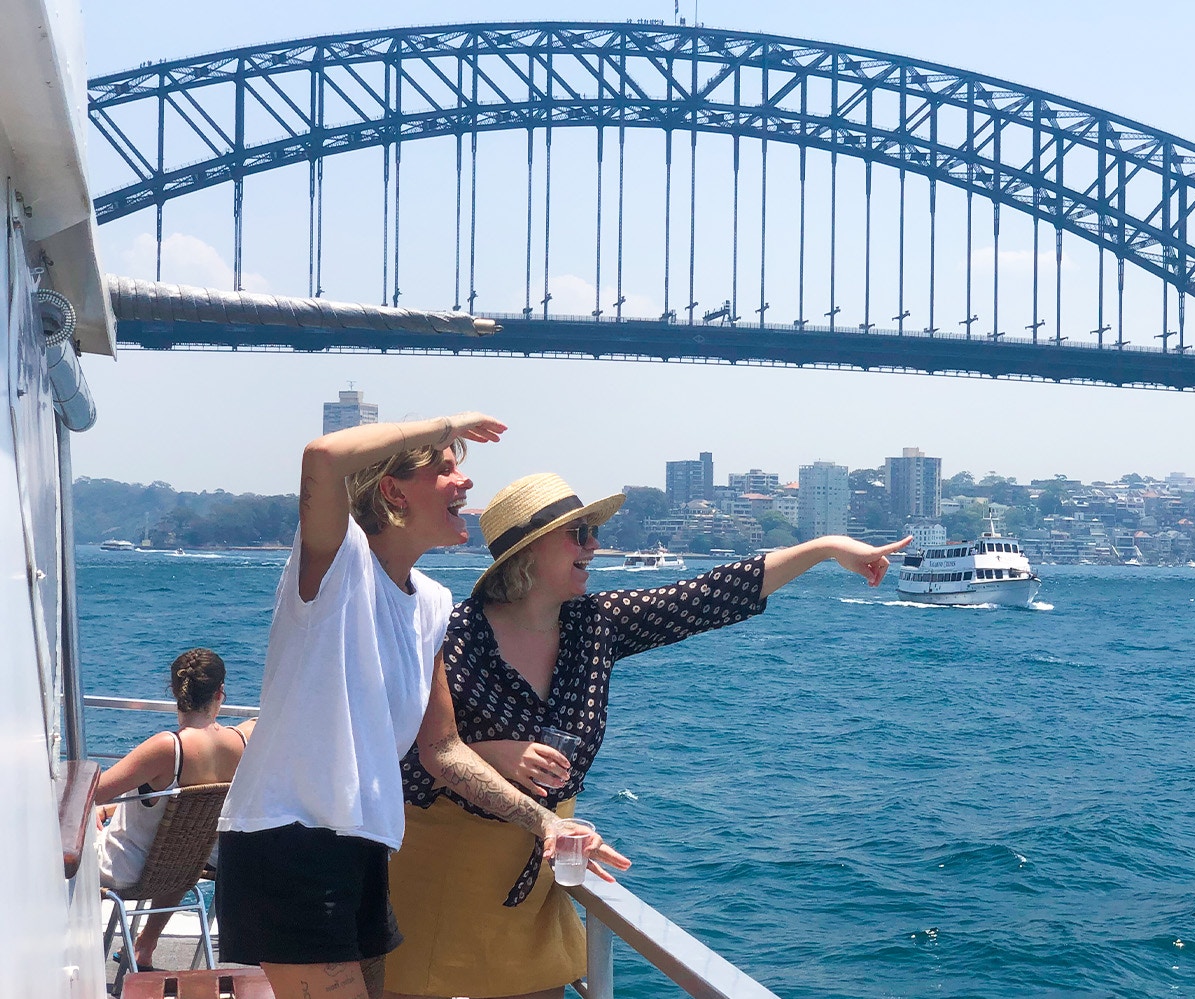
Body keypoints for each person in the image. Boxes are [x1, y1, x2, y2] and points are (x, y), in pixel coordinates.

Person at [384, 473, 909, 999]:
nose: (595, 544)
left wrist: (825, 549)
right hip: (440, 871)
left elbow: (710, 595)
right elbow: (395, 753)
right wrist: (489, 752)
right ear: (529, 551)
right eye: (580, 532)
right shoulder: (449, 635)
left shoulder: (596, 626)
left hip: (539, 874)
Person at [213, 414, 618, 999]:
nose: (464, 483)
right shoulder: (338, 563)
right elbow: (323, 459)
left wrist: (547, 823)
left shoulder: (432, 604)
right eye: (445, 469)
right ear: (392, 490)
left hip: (366, 847)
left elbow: (443, 749)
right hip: (289, 842)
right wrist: (446, 424)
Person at [95, 647, 254, 972]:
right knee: (181, 840)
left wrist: (98, 814)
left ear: (175, 692)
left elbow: (93, 792)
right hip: (185, 863)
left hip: (127, 867)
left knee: (67, 825)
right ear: (220, 692)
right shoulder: (244, 743)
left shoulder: (168, 747)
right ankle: (145, 948)